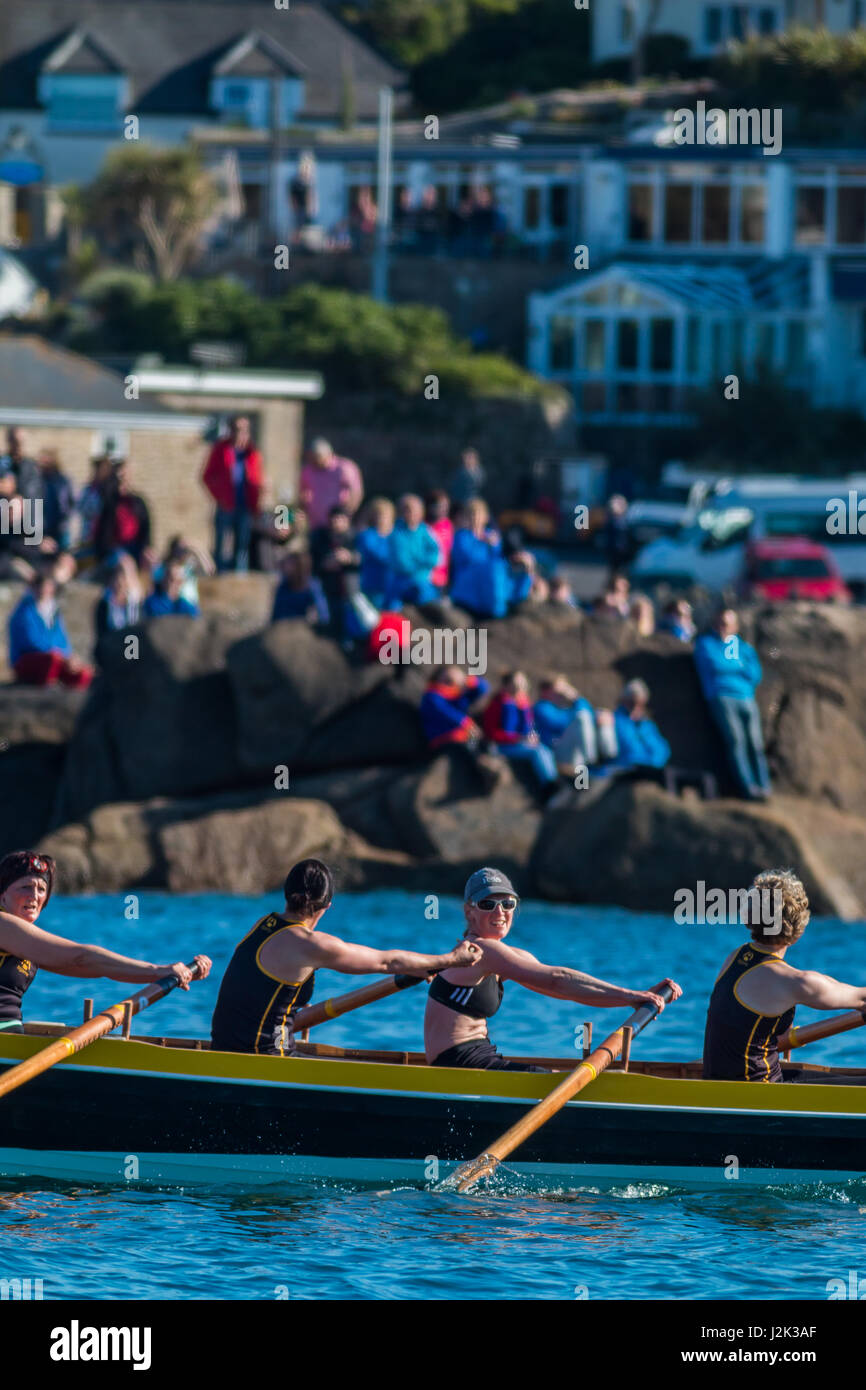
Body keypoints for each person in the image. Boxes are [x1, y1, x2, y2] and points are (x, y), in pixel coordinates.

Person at [210, 858, 481, 1057]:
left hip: (224, 1051)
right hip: (263, 1059)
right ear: (327, 906)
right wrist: (451, 958)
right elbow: (387, 962)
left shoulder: (264, 924)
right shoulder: (310, 944)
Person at [425, 866, 681, 1070]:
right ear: (470, 912)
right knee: (544, 1080)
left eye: (508, 903)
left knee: (547, 1077)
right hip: (458, 1066)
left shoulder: (502, 955)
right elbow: (557, 980)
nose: (500, 911)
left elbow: (560, 987)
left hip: (475, 1059)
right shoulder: (482, 951)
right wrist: (630, 997)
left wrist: (635, 995)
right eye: (488, 904)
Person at [0, 849, 211, 1033]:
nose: (35, 896)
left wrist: (166, 975)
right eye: (25, 887)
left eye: (42, 889)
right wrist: (158, 970)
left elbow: (94, 968)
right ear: (2, 893)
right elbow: (81, 958)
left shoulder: (24, 940)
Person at [702, 868, 866, 1085]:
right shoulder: (793, 982)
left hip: (721, 1083)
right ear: (799, 926)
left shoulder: (735, 957)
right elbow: (860, 998)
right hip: (757, 1092)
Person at [694, 608, 771, 801]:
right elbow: (716, 665)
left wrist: (732, 667)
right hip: (722, 697)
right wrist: (738, 667)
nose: (723, 627)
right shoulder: (706, 644)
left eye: (727, 624)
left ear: (735, 626)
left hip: (746, 698)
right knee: (736, 741)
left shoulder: (743, 647)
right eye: (719, 623)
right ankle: (749, 788)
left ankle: (765, 787)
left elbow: (755, 674)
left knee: (756, 743)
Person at [9, 571, 93, 689]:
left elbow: (62, 640)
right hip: (28, 661)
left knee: (82, 672)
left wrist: (69, 657)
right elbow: (31, 642)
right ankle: (47, 689)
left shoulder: (53, 613)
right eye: (42, 587)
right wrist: (60, 656)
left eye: (49, 587)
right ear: (34, 588)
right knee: (52, 659)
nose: (45, 591)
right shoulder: (23, 613)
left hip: (56, 659)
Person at [202, 416, 263, 574]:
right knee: (221, 543)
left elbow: (257, 480)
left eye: (244, 430)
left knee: (242, 544)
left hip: (245, 506)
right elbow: (207, 476)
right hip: (226, 505)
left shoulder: (252, 454)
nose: (240, 433)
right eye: (237, 429)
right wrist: (219, 496)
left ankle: (238, 576)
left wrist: (256, 506)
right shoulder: (221, 450)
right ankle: (218, 574)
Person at [482, 671, 559, 790]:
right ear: (506, 685)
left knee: (545, 748)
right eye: (516, 683)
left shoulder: (524, 704)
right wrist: (518, 738)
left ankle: (555, 780)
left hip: (519, 743)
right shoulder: (498, 703)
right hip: (501, 746)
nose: (520, 687)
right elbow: (491, 732)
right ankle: (550, 786)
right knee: (537, 751)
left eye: (522, 683)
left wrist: (530, 736)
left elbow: (529, 727)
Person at [94, 462, 152, 568]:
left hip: (135, 546)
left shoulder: (137, 502)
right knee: (124, 562)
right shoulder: (110, 501)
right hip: (115, 548)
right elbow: (104, 531)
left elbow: (146, 527)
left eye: (126, 477)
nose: (123, 482)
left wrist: (146, 549)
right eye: (121, 477)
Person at [534, 676, 599, 771]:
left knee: (601, 720)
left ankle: (607, 759)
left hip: (573, 752)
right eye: (558, 688)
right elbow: (559, 723)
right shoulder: (541, 707)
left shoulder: (567, 708)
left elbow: (590, 715)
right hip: (555, 752)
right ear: (546, 691)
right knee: (582, 718)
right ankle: (592, 761)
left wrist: (577, 698)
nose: (562, 693)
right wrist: (575, 701)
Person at [386, 494, 440, 607]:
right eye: (407, 510)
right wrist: (422, 562)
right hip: (401, 585)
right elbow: (402, 562)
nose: (411, 514)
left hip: (422, 583)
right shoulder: (396, 533)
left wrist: (419, 562)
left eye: (414, 510)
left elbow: (435, 556)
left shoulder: (425, 531)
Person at [299, 438, 363, 531]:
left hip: (338, 524)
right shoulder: (308, 470)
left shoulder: (344, 468)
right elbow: (303, 493)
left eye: (317, 456)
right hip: (316, 524)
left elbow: (355, 492)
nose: (314, 460)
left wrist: (346, 514)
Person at [419, 667, 489, 750]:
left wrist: (470, 681)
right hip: (441, 739)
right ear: (438, 676)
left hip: (460, 735)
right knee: (470, 744)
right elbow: (449, 713)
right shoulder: (432, 695)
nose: (452, 679)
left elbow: (484, 688)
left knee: (476, 745)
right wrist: (469, 724)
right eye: (448, 678)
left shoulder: (459, 693)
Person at [356, 498, 395, 609]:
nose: (382, 518)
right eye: (378, 515)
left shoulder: (395, 535)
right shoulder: (367, 536)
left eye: (385, 515)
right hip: (373, 586)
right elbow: (380, 555)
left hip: (392, 587)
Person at [272, 550, 329, 626]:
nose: (285, 567)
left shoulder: (312, 587)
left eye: (290, 564)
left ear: (300, 566)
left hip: (305, 632)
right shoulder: (283, 587)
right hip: (284, 631)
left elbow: (323, 617)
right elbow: (275, 617)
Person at [37, 449, 74, 549]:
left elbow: (70, 502)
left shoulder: (63, 480)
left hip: (60, 527)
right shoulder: (37, 481)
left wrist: (65, 519)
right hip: (44, 527)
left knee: (62, 553)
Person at [95, 560, 142, 638]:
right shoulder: (104, 604)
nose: (120, 580)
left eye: (125, 575)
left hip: (131, 648)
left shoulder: (138, 604)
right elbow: (100, 634)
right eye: (118, 574)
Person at [425, 490, 454, 591]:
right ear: (430, 507)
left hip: (444, 577)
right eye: (440, 506)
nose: (444, 509)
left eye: (446, 506)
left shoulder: (448, 525)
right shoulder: (424, 527)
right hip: (428, 577)